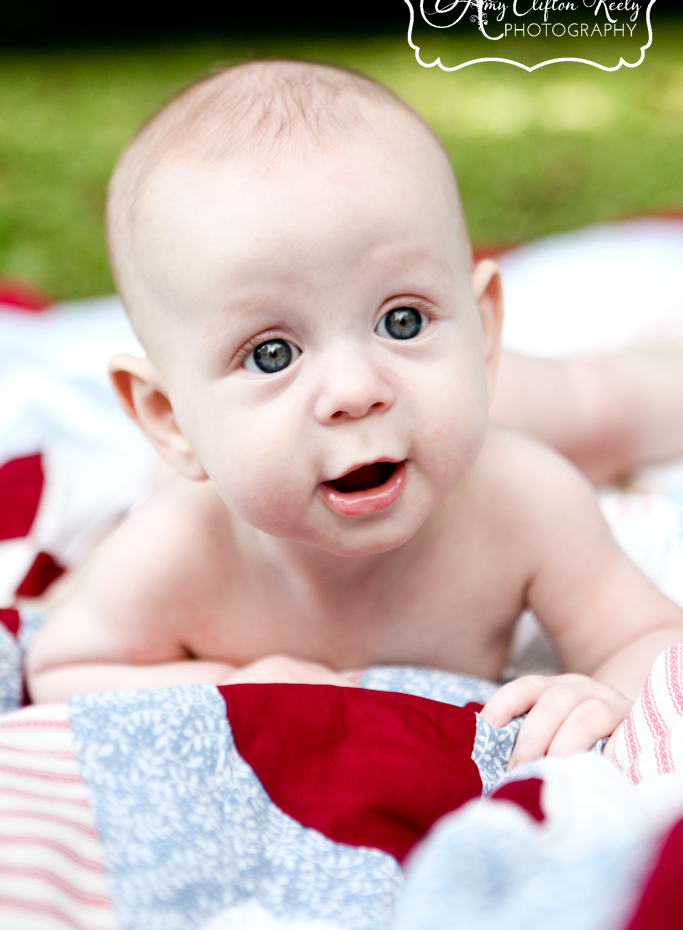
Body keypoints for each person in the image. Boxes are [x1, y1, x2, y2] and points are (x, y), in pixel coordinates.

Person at [25, 59, 683, 770]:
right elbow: (62, 668)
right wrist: (232, 684)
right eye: (271, 354)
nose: (355, 388)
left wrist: (609, 689)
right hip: (354, 436)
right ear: (171, 420)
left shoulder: (523, 498)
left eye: (401, 319)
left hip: (491, 408)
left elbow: (644, 635)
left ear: (482, 330)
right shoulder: (179, 550)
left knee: (599, 411)